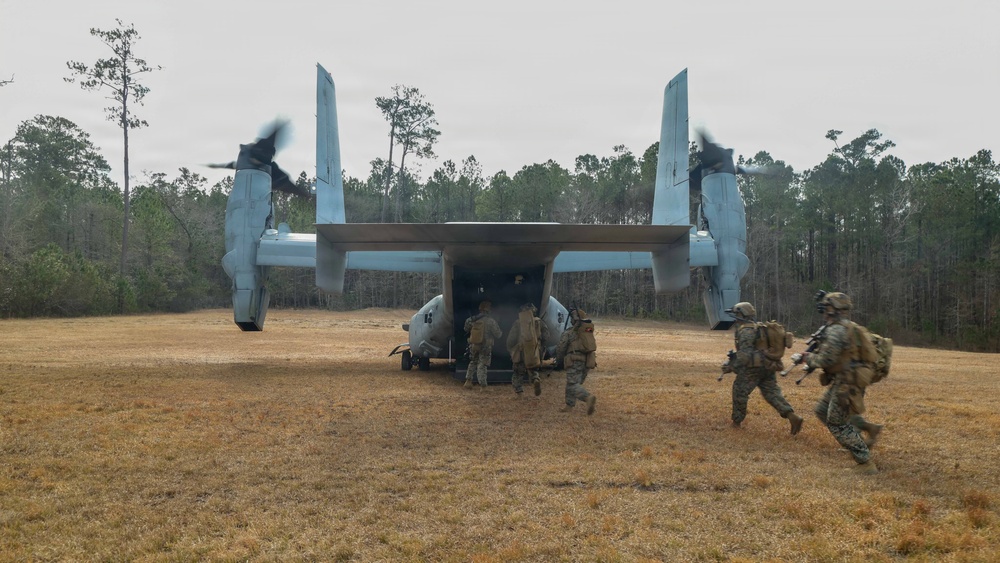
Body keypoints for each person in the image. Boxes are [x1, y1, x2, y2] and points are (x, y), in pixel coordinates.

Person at [794, 291, 881, 475]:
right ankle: (854, 440)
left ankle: (865, 462)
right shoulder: (846, 326)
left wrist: (807, 358)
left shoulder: (836, 330)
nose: (824, 311)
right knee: (821, 411)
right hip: (845, 378)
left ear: (833, 309)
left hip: (848, 382)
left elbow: (826, 359)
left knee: (836, 422)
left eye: (826, 307)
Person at [723, 302, 803, 435]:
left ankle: (736, 423)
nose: (735, 318)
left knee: (739, 391)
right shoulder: (758, 327)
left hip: (753, 369)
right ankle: (792, 416)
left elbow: (745, 355)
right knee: (772, 393)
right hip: (768, 366)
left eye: (736, 314)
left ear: (742, 315)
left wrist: (731, 367)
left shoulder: (746, 331)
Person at [554, 307, 597, 414]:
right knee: (572, 383)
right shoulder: (587, 331)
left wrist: (558, 360)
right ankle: (569, 406)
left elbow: (561, 347)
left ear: (574, 320)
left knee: (572, 384)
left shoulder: (570, 332)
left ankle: (588, 398)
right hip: (587, 361)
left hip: (574, 360)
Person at [506, 303, 549, 397]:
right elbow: (546, 336)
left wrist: (511, 349)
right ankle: (535, 379)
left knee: (518, 373)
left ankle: (520, 394)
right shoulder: (539, 322)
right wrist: (540, 348)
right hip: (534, 350)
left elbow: (511, 339)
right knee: (532, 368)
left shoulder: (518, 323)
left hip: (521, 351)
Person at [463, 301, 502, 390]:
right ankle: (483, 386)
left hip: (474, 345)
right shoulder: (491, 321)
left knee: (473, 362)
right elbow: (498, 334)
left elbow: (465, 328)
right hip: (485, 347)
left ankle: (468, 382)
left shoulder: (472, 319)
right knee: (482, 365)